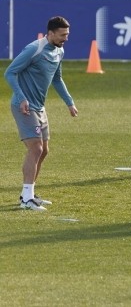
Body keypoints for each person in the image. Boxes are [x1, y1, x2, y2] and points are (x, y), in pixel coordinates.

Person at [4, 16, 78, 211]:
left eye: (67, 35)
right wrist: (21, 97)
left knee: (44, 150)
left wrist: (69, 102)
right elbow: (10, 72)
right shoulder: (34, 49)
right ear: (50, 33)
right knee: (35, 148)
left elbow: (57, 79)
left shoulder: (59, 51)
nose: (65, 39)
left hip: (39, 107)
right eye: (62, 35)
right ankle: (26, 199)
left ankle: (28, 194)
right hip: (24, 106)